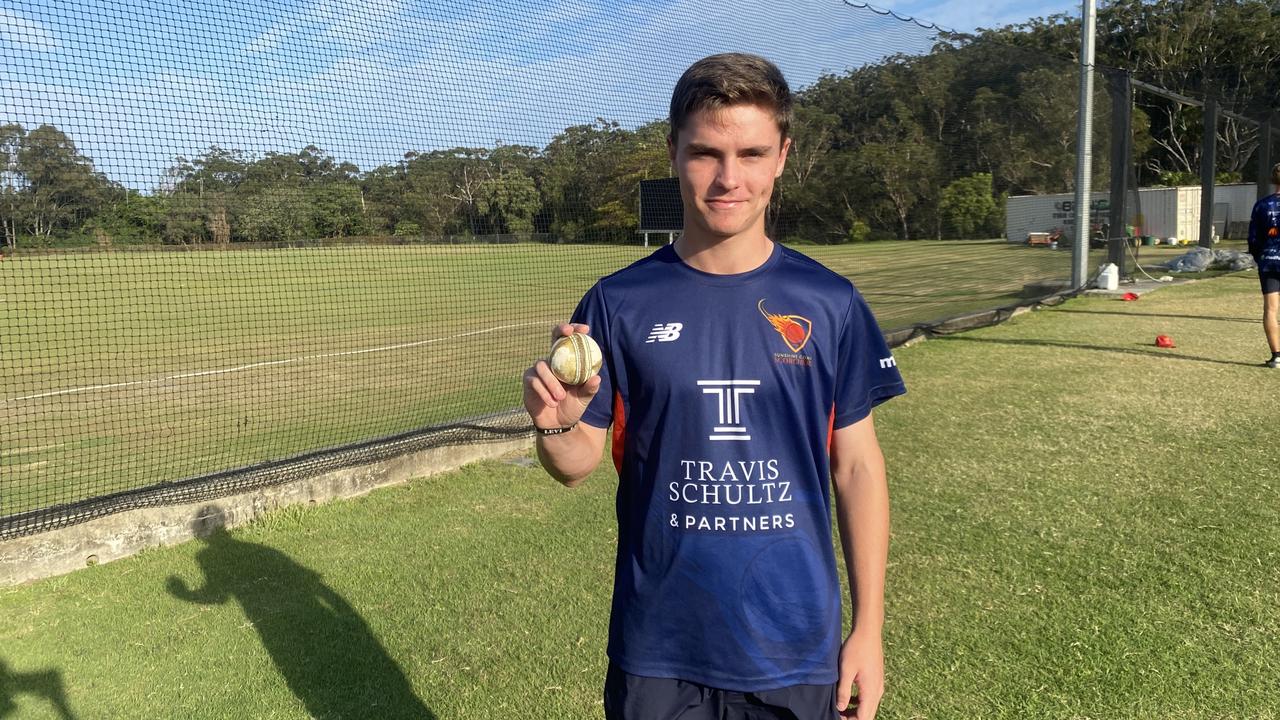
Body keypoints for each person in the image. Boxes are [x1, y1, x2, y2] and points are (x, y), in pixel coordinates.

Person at [522, 53, 906, 720]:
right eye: (706, 153)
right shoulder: (618, 302)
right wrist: (559, 421)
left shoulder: (830, 303)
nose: (729, 179)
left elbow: (858, 467)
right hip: (659, 648)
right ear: (673, 153)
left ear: (782, 156)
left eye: (752, 153)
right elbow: (575, 466)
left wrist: (868, 629)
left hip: (793, 647)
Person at [1247, 162, 1280, 368]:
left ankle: (1277, 356)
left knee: (1271, 309)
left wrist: (1260, 256)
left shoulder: (1261, 205)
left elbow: (1253, 239)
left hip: (1269, 261)